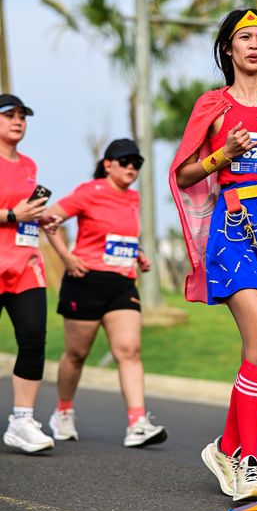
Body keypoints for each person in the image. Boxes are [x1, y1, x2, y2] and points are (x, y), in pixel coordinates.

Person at [170, 8, 257, 501]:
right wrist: (223, 155)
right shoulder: (211, 104)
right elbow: (183, 174)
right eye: (245, 38)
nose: (254, 45)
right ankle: (247, 465)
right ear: (228, 49)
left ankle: (225, 448)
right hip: (233, 227)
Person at [44, 139, 167, 448]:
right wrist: (66, 257)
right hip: (85, 280)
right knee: (76, 355)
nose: (131, 167)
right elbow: (48, 220)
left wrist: (137, 254)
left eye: (137, 163)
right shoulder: (90, 192)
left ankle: (137, 423)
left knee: (129, 350)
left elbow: (118, 237)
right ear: (108, 164)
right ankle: (63, 411)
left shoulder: (134, 198)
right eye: (125, 161)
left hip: (122, 284)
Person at [0, 93, 58, 453]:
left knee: (34, 339)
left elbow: (23, 210)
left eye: (23, 116)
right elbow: (13, 211)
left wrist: (39, 216)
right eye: (10, 115)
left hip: (25, 265)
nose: (18, 121)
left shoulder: (29, 164)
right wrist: (11, 215)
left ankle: (21, 421)